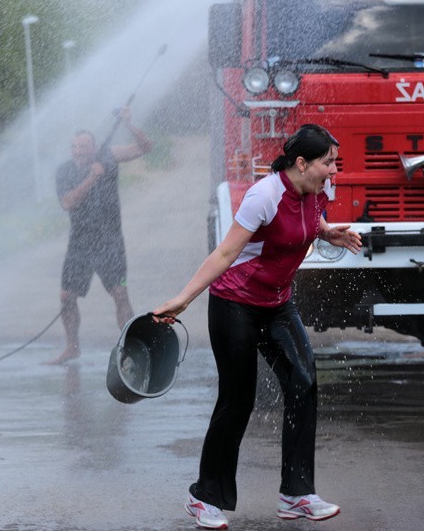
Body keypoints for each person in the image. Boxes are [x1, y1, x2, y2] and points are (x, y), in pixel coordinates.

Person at [153, 124, 362, 530]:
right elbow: (227, 251)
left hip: (277, 304)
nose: (334, 170)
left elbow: (305, 222)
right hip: (235, 304)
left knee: (303, 381)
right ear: (301, 163)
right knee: (238, 398)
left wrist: (327, 234)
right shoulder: (263, 195)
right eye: (328, 162)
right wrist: (183, 299)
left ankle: (297, 494)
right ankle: (204, 497)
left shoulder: (315, 191)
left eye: (334, 163)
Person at [48, 108, 151, 365]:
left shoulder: (109, 156)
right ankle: (72, 347)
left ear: (94, 147)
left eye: (83, 146)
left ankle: (133, 347)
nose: (78, 150)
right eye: (74, 147)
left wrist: (129, 123)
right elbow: (68, 202)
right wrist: (92, 178)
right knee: (66, 297)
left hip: (110, 241)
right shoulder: (64, 171)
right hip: (80, 243)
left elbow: (145, 148)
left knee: (120, 293)